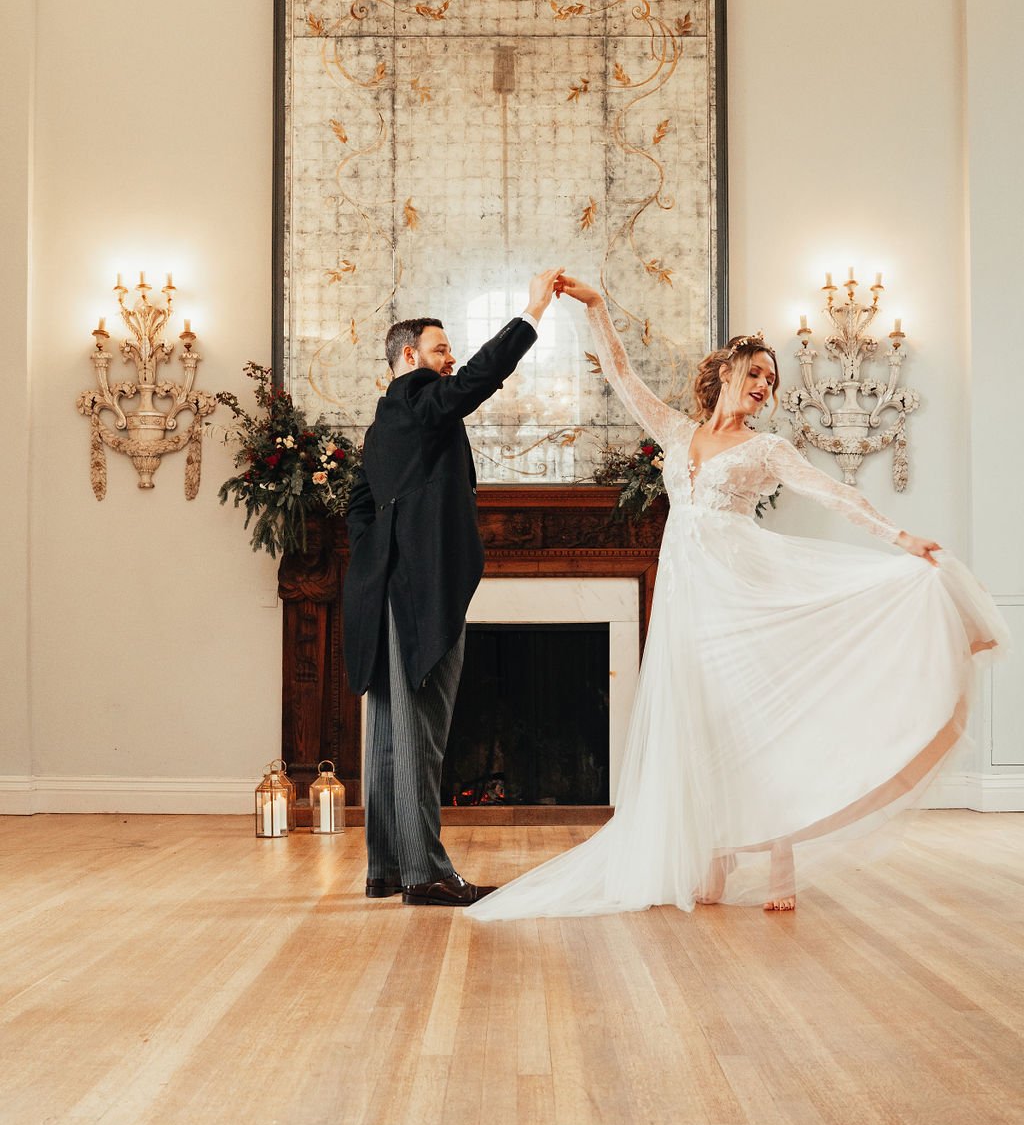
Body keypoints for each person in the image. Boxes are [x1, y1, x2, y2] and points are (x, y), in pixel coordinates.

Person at [468, 276, 1007, 920]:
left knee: (752, 718)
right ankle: (716, 855)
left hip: (740, 594)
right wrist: (595, 305)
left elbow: (835, 493)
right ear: (725, 371)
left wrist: (899, 537)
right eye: (755, 372)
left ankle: (779, 856)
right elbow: (619, 372)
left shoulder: (768, 448)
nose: (763, 386)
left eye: (771, 380)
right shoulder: (674, 431)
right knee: (701, 722)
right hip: (684, 605)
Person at [343, 268, 562, 906]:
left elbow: (359, 506)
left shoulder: (388, 422)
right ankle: (426, 875)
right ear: (409, 358)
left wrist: (377, 554)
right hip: (415, 595)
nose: (451, 359)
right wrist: (531, 312)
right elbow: (475, 381)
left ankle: (388, 869)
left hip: (390, 591)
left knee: (389, 731)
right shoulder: (417, 399)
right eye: (441, 349)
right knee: (419, 733)